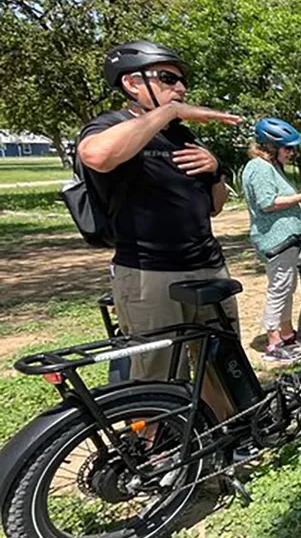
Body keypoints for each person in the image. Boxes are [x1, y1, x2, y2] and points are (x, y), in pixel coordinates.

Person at [76, 41, 242, 420]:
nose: (180, 89)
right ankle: (160, 459)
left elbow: (214, 206)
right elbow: (98, 156)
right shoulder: (113, 125)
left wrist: (215, 168)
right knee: (158, 376)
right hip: (150, 273)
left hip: (207, 266)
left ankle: (219, 444)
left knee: (220, 363)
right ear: (132, 83)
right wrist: (168, 112)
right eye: (168, 79)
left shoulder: (182, 136)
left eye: (181, 82)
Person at [241, 118, 301, 362]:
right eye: (288, 148)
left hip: (288, 238)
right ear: (271, 147)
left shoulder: (271, 167)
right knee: (280, 288)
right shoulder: (259, 167)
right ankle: (274, 342)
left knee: (287, 286)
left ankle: (286, 332)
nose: (292, 153)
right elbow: (267, 203)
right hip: (276, 240)